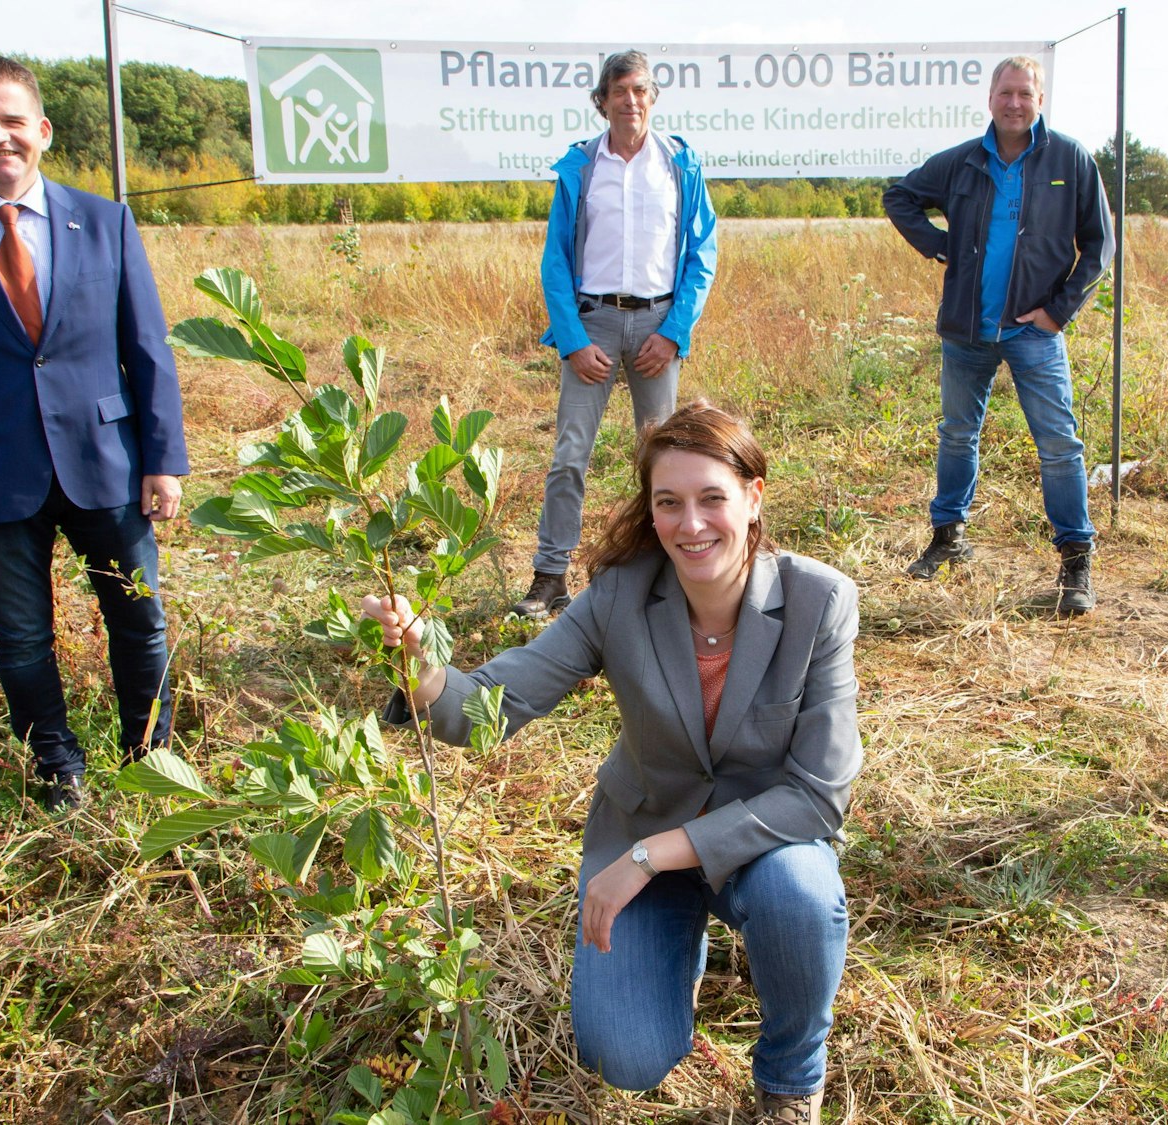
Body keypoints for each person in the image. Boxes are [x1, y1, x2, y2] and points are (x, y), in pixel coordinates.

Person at [366, 403, 856, 1124]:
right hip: (641, 830)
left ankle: (789, 1079)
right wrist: (423, 665)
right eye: (669, 502)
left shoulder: (820, 600)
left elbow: (818, 795)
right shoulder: (621, 595)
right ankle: (677, 951)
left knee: (802, 895)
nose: (691, 524)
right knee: (625, 1057)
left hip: (760, 846)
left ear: (753, 498)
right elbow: (497, 703)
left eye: (712, 498)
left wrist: (652, 855)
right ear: (650, 510)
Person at [0, 54, 189, 813]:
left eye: (12, 119)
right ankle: (57, 767)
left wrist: (163, 457)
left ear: (42, 130)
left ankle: (150, 755)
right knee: (21, 636)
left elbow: (146, 348)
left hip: (107, 462)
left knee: (141, 621)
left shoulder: (106, 221)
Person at [882, 55, 1114, 614]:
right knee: (957, 434)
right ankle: (948, 538)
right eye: (1006, 93)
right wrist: (939, 245)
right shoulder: (962, 161)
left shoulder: (1070, 159)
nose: (1014, 103)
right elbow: (899, 196)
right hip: (967, 329)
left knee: (1059, 446)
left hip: (1034, 332)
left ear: (1040, 101)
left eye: (1025, 94)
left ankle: (1075, 562)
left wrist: (1058, 311)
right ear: (990, 98)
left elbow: (1100, 245)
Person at [517, 49, 719, 620]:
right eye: (620, 91)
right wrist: (573, 339)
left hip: (658, 328)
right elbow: (556, 261)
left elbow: (702, 254)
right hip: (593, 327)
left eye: (640, 90)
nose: (631, 101)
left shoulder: (680, 165)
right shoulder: (581, 167)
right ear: (602, 101)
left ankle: (662, 576)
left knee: (665, 461)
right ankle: (550, 576)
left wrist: (675, 332)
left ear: (652, 98)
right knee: (570, 454)